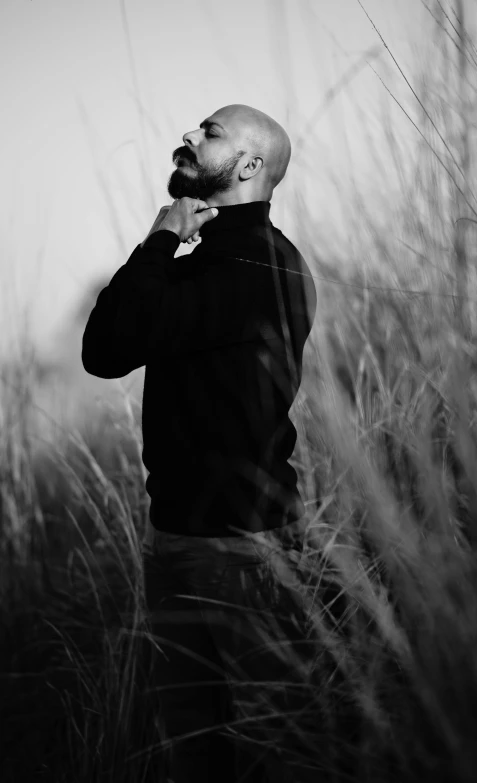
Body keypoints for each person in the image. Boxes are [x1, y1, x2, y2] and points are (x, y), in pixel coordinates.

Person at [82, 104, 318, 781]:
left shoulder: (261, 267)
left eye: (209, 132)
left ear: (248, 166)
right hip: (176, 539)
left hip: (244, 546)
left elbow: (113, 345)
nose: (189, 136)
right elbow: (103, 349)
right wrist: (162, 244)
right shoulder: (208, 261)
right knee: (196, 744)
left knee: (282, 743)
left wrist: (160, 239)